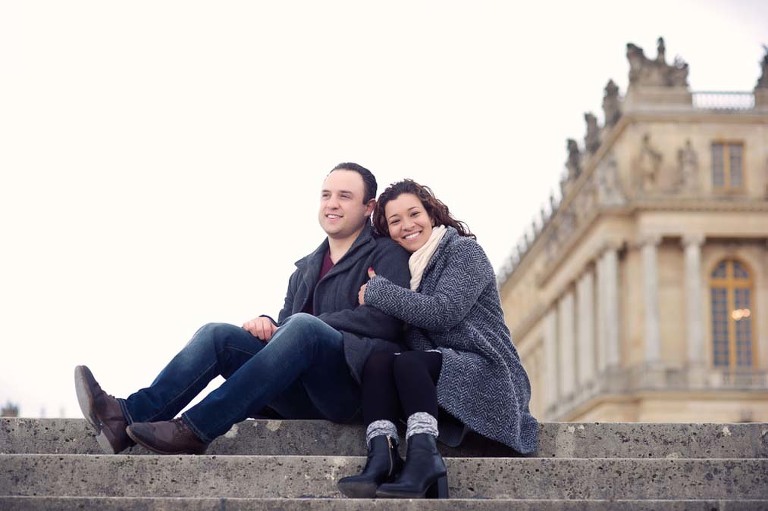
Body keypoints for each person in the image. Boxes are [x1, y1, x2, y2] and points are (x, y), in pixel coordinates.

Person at [74, 162, 411, 455]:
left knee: (304, 327)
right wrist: (269, 325)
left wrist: (298, 325)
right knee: (218, 334)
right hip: (298, 396)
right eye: (326, 195)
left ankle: (196, 429)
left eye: (344, 196)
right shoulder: (305, 269)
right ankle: (126, 417)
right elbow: (287, 334)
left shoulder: (385, 254)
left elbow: (386, 322)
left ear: (369, 207)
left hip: (350, 390)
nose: (332, 204)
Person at [337, 179, 538, 499]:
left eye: (413, 213)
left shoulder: (463, 252)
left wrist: (379, 292)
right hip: (436, 371)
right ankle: (382, 457)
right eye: (395, 221)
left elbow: (443, 312)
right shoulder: (406, 271)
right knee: (377, 362)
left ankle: (424, 462)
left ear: (431, 214)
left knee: (408, 363)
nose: (407, 225)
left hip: (487, 369)